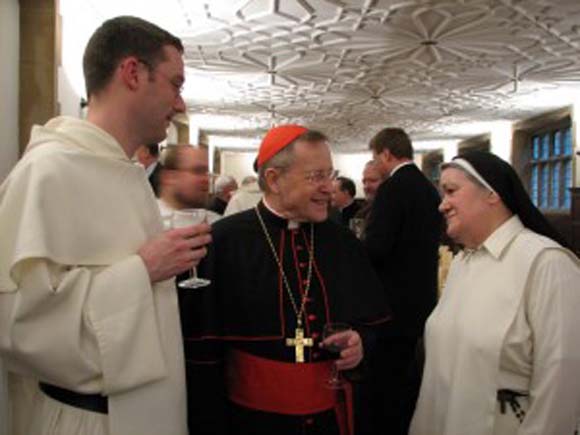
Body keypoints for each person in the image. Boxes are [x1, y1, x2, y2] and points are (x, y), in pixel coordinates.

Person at [0, 16, 211, 435]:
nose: (181, 103)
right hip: (89, 420)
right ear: (133, 73)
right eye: (176, 83)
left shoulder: (126, 173)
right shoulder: (47, 171)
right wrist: (142, 271)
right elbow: (15, 326)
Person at [182, 124, 391, 435]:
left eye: (329, 175)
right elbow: (201, 356)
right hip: (249, 423)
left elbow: (373, 324)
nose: (328, 187)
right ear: (274, 180)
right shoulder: (224, 241)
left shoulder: (344, 243)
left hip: (329, 421)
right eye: (316, 176)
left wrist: (360, 343)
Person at [410, 151, 580, 435]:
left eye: (451, 191)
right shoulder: (465, 260)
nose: (442, 205)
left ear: (492, 193)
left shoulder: (547, 263)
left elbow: (561, 382)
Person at [363, 127, 442, 435]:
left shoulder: (394, 188)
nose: (376, 163)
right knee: (408, 368)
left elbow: (378, 247)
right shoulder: (427, 186)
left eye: (375, 157)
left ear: (386, 153)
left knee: (387, 377)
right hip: (421, 293)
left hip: (392, 298)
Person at [157, 144, 220, 225]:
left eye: (206, 173)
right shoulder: (145, 221)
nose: (206, 179)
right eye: (197, 171)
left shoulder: (216, 223)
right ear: (170, 177)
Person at [352, 160, 385, 239]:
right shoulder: (360, 215)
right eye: (364, 182)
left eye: (372, 181)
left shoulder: (399, 214)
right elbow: (355, 244)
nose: (366, 186)